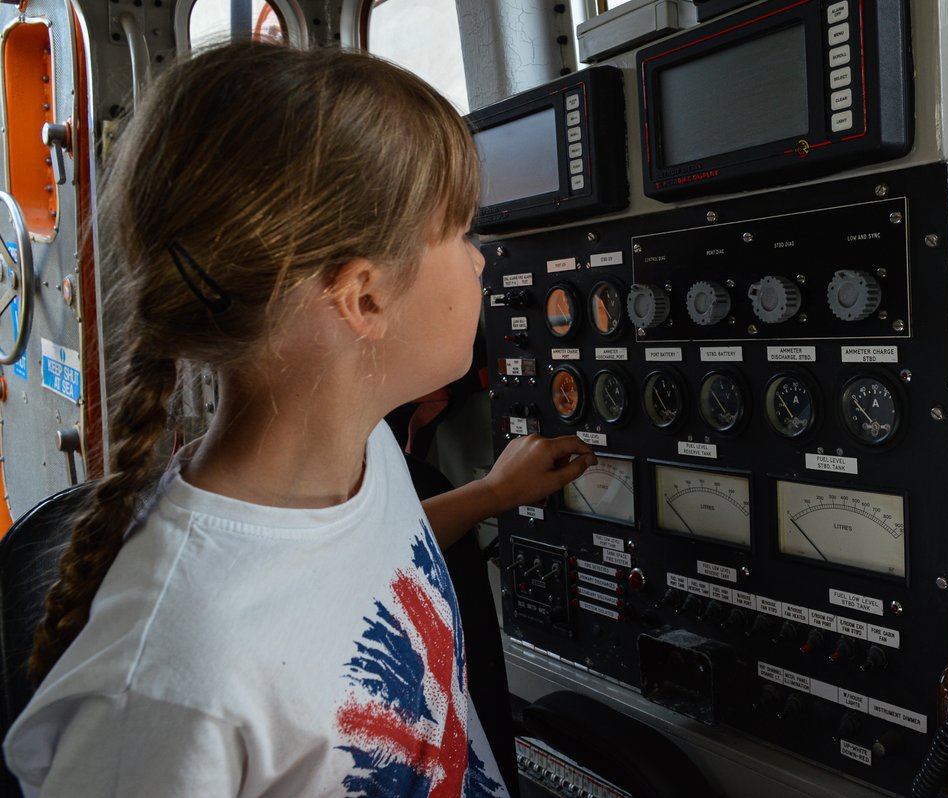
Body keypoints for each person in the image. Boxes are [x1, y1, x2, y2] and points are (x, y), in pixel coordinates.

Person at [3, 42, 595, 797]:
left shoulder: (362, 450)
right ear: (364, 298)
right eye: (461, 233)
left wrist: (488, 495)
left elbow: (349, 568)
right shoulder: (166, 685)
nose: (482, 262)